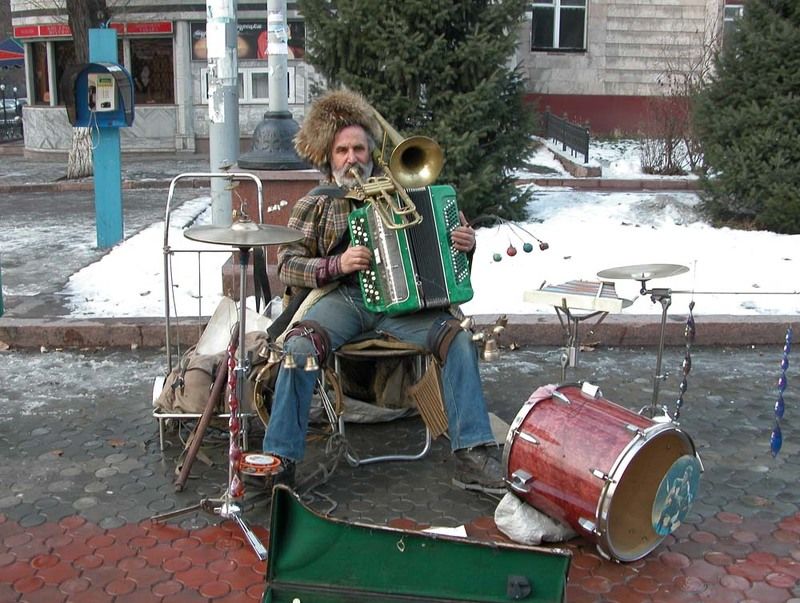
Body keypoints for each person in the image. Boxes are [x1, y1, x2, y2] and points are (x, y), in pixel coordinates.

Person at [262, 88, 503, 492]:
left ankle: (472, 454)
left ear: (371, 154)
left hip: (402, 306)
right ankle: (280, 457)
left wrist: (465, 244)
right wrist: (334, 264)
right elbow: (287, 263)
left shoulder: (406, 194)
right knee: (300, 349)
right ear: (328, 157)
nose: (351, 158)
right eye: (342, 151)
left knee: (457, 340)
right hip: (343, 300)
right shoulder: (316, 203)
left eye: (359, 149)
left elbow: (444, 259)